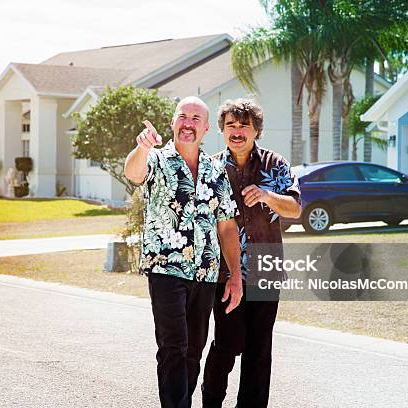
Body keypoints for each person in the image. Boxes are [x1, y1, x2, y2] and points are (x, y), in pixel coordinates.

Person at [124, 96, 243, 408]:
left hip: (205, 271)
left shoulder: (216, 170)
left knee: (193, 349)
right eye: (182, 116)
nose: (187, 123)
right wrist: (142, 147)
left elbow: (227, 225)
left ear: (205, 129)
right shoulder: (156, 160)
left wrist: (235, 276)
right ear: (173, 122)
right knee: (173, 345)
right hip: (166, 268)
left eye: (195, 119)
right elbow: (134, 173)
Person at [202, 98, 302, 408]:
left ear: (256, 130)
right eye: (230, 125)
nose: (236, 131)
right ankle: (211, 402)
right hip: (225, 271)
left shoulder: (276, 164)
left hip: (266, 270)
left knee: (259, 349)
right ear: (222, 130)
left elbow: (296, 208)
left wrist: (267, 195)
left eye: (243, 125)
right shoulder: (212, 167)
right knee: (228, 343)